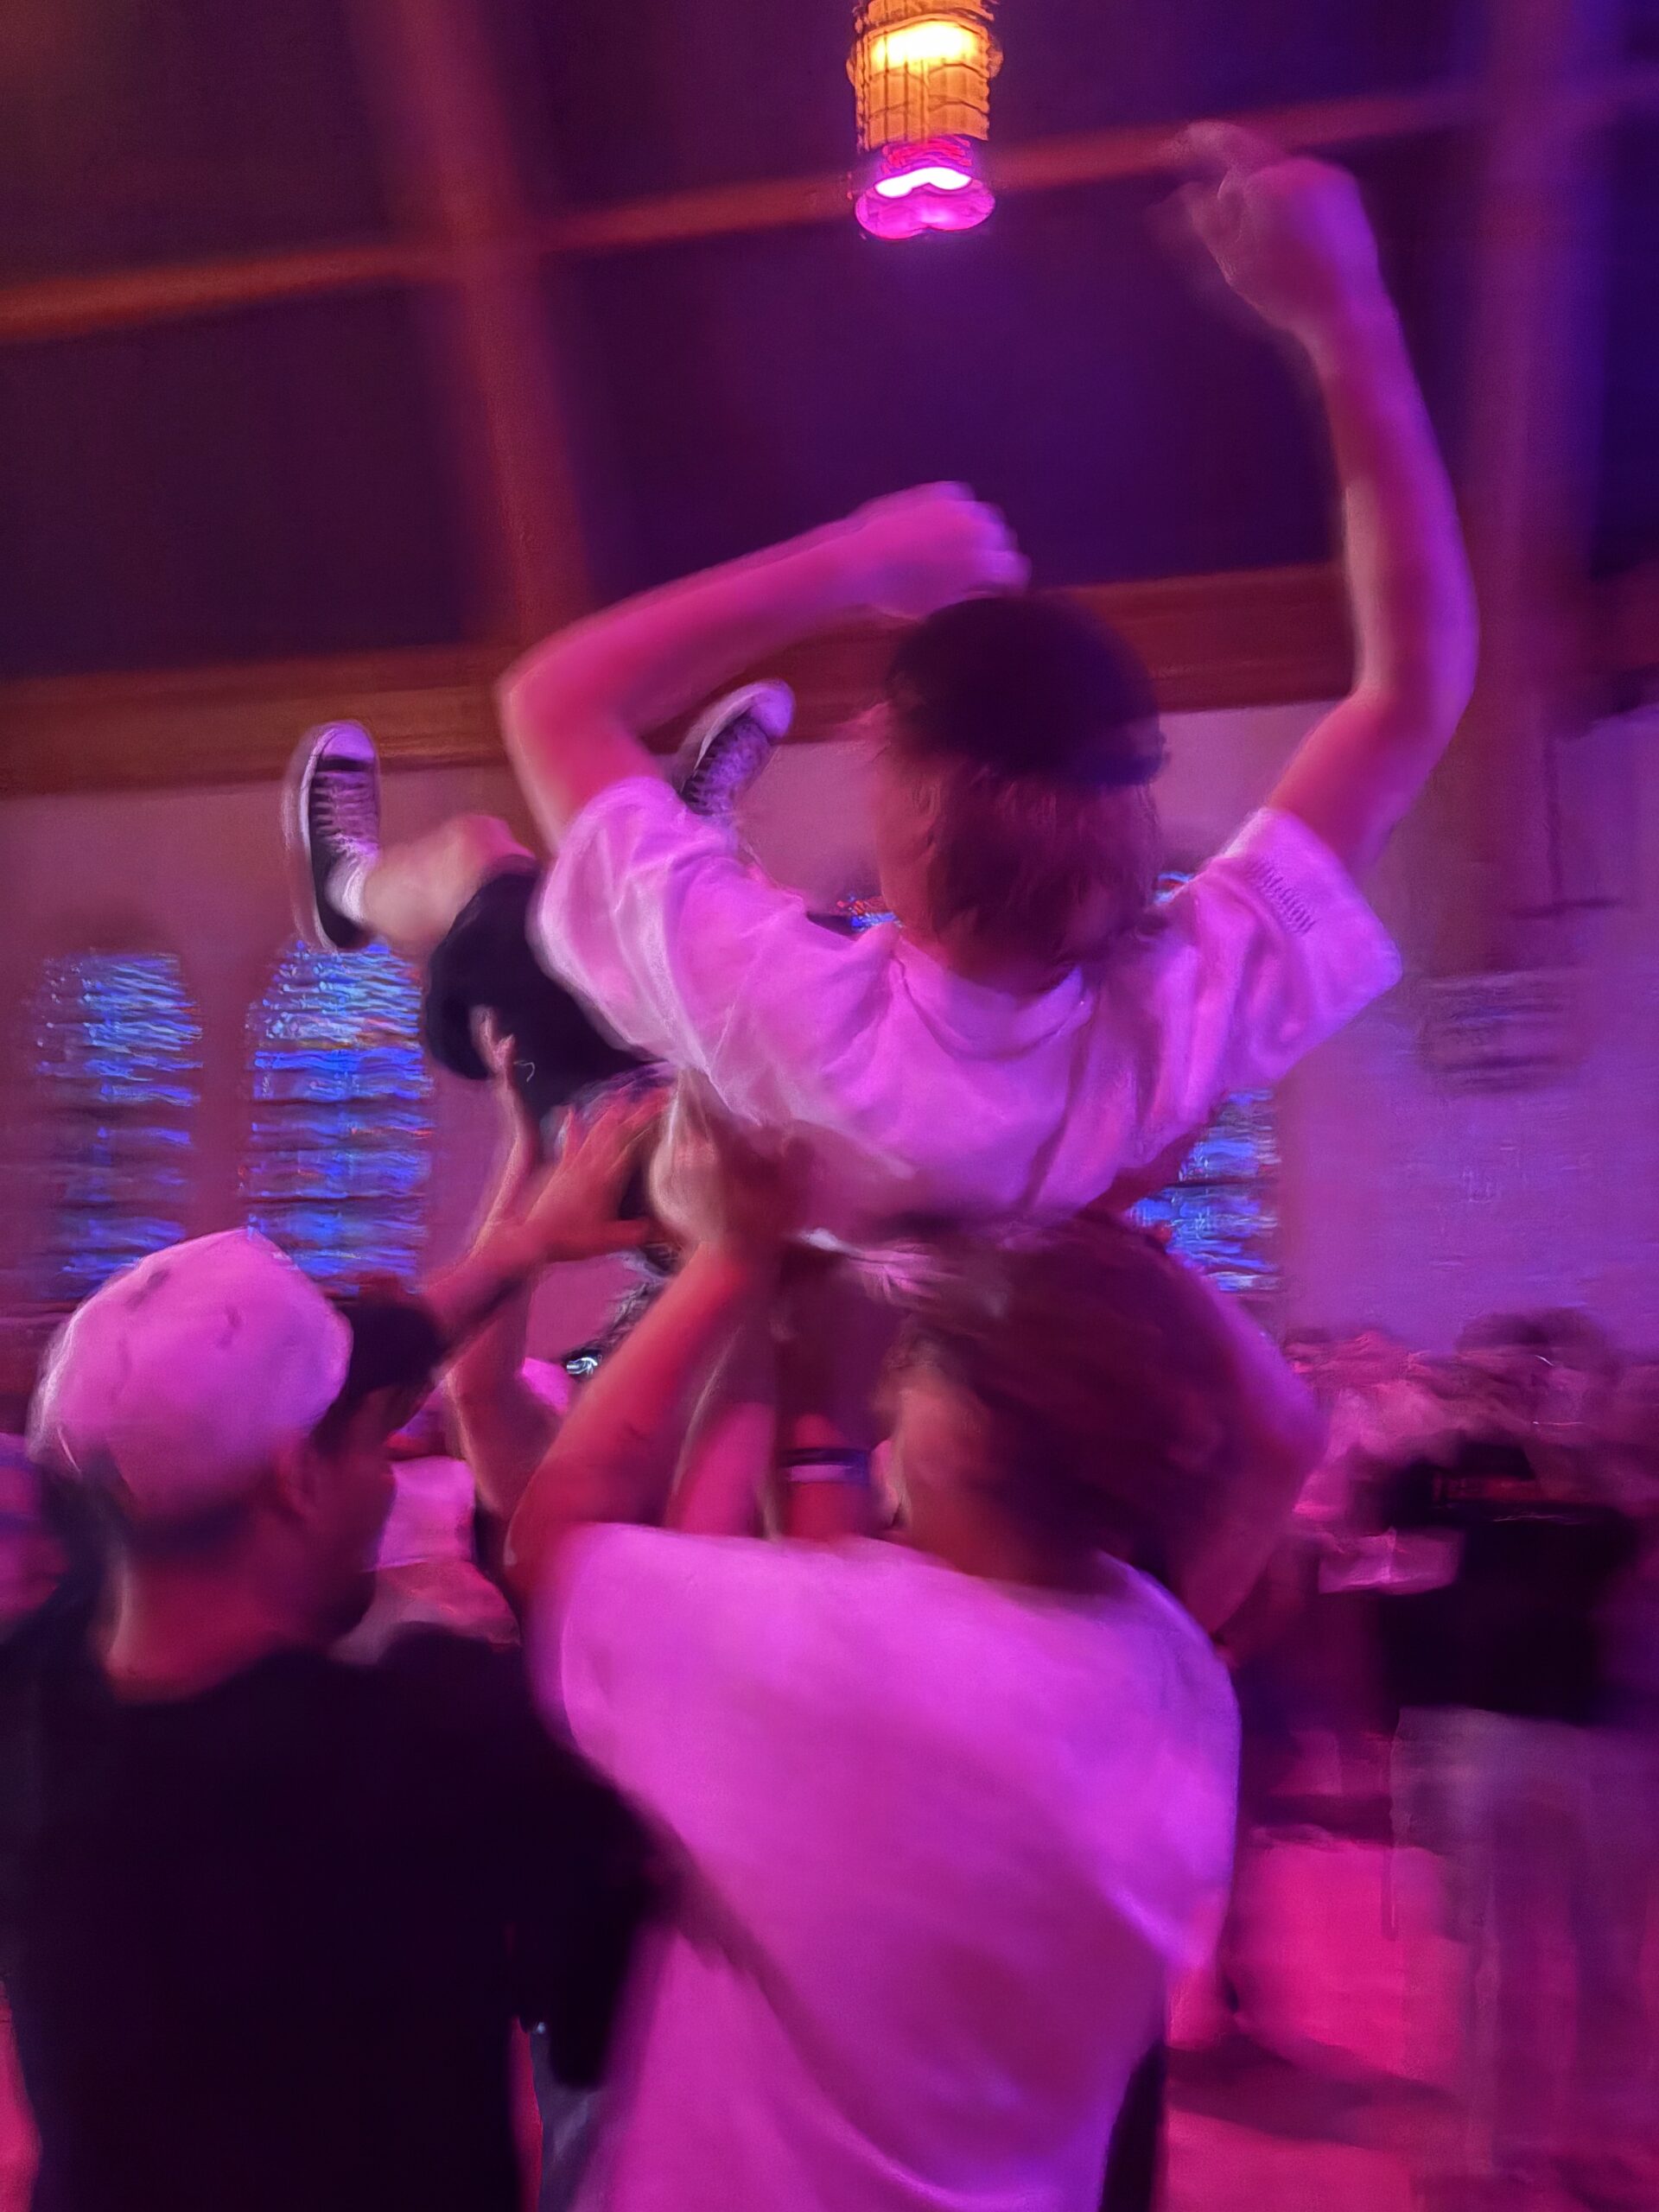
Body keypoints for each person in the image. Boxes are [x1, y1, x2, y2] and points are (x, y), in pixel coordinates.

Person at [288, 125, 1473, 1255]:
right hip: (748, 1094)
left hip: (607, 1109)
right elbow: (1410, 693)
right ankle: (688, 832)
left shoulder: (780, 1000)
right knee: (708, 895)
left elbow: (551, 699)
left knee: (483, 866)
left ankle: (342, 888)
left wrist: (853, 559)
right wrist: (1351, 322)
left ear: (912, 806)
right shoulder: (1166, 1023)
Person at [498, 1084, 1325, 2212]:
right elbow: (1282, 1432)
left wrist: (732, 1259)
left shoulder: (834, 1658)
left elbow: (557, 1546)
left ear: (969, 1435)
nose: (891, 1383)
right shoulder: (1169, 1669)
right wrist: (1096, 1251)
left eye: (917, 1357)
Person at [0, 1098, 663, 2212]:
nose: (390, 1473)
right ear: (296, 1480)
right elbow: (599, 2011)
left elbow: (272, 1406)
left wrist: (520, 1249)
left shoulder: (31, 1691)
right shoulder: (429, 1745)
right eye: (374, 1445)